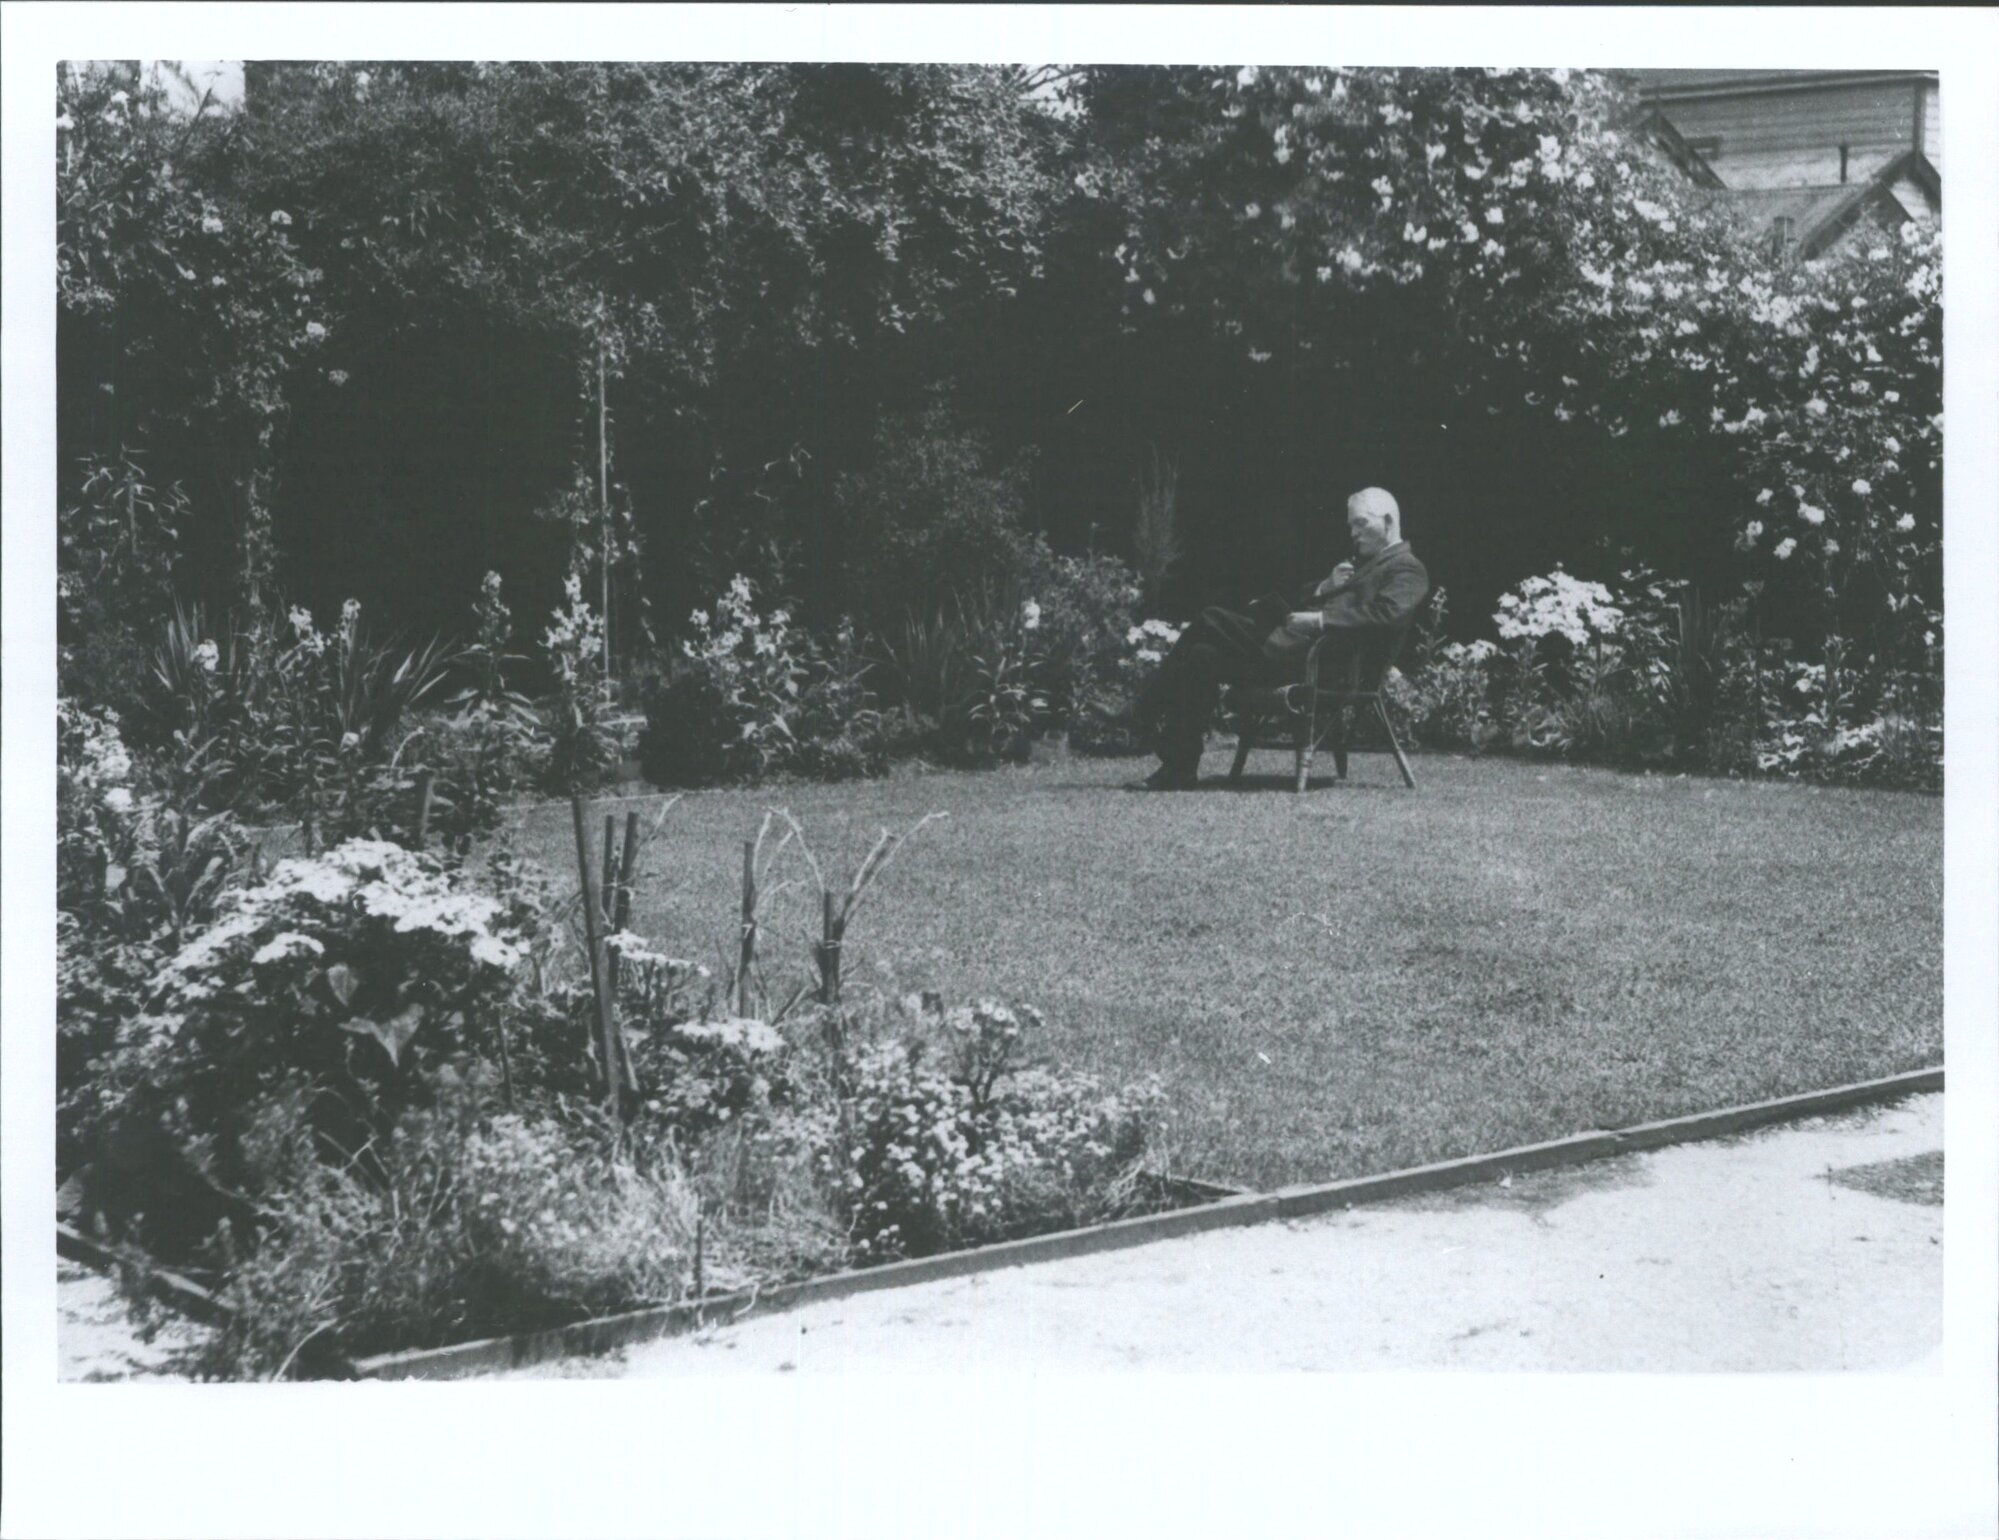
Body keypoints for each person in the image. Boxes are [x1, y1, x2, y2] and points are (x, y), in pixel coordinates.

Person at [1139, 486, 1429, 788]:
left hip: (1327, 668)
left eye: (1361, 523)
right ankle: (1180, 768)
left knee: (1211, 618)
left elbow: (1385, 615)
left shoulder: (1407, 568)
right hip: (1294, 654)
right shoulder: (1362, 563)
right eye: (1351, 525)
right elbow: (1311, 601)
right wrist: (1324, 587)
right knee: (1202, 654)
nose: (1353, 533)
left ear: (1388, 521)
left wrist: (1319, 621)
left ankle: (1141, 712)